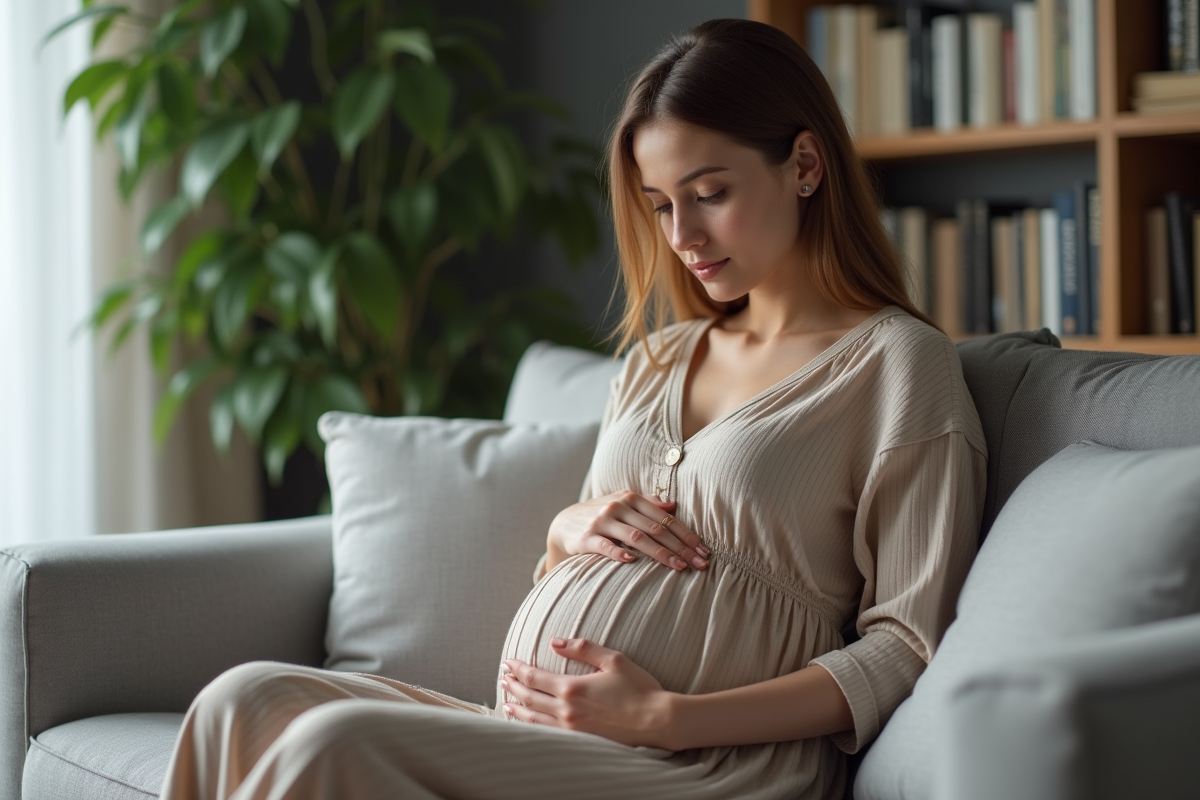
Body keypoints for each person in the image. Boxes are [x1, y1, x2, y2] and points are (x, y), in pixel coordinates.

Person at [159, 18, 986, 800]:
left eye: (708, 192)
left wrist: (669, 717)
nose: (682, 235)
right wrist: (565, 532)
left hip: (710, 765)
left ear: (804, 164)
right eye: (661, 205)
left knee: (330, 746)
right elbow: (570, 567)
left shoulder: (897, 364)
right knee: (244, 698)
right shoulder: (658, 357)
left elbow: (906, 645)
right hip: (545, 733)